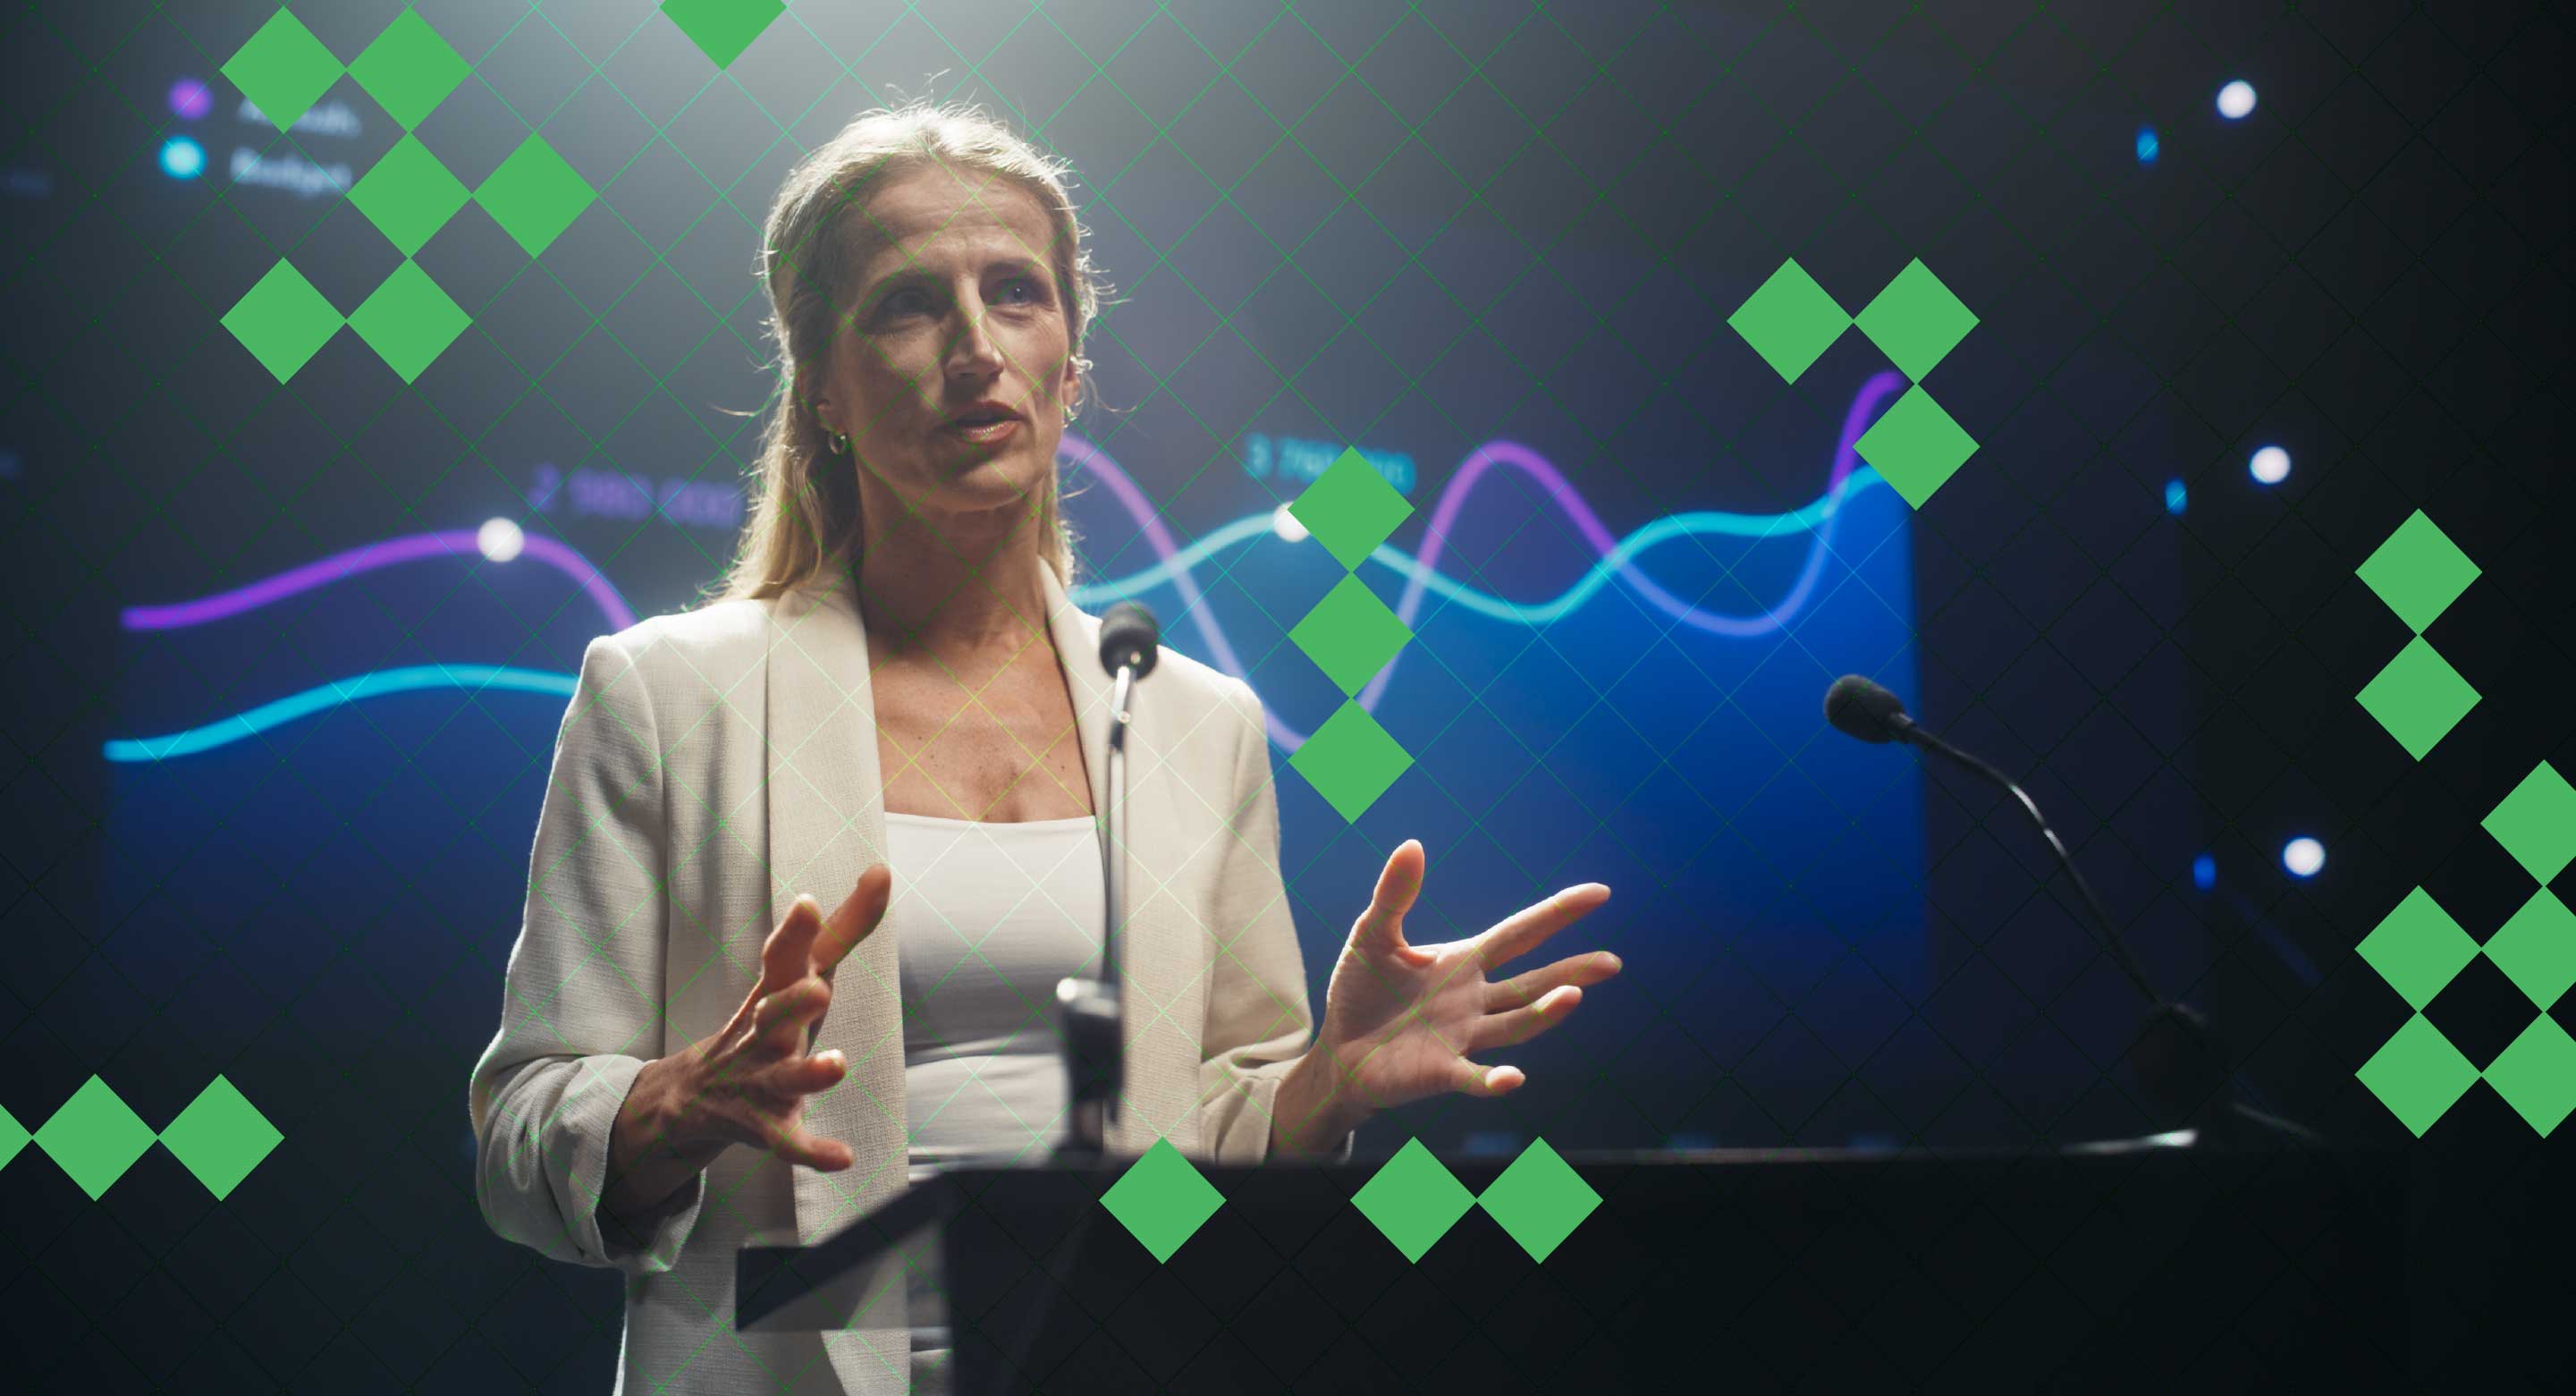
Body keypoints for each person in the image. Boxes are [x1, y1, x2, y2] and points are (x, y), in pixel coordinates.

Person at [467, 99, 1623, 1396]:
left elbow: (1207, 1158)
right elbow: (520, 1134)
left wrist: (1321, 1087)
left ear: (1069, 367)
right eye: (907, 304)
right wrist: (666, 1107)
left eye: (1014, 293)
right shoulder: (666, 698)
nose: (974, 347)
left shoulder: (1197, 723)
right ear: (826, 393)